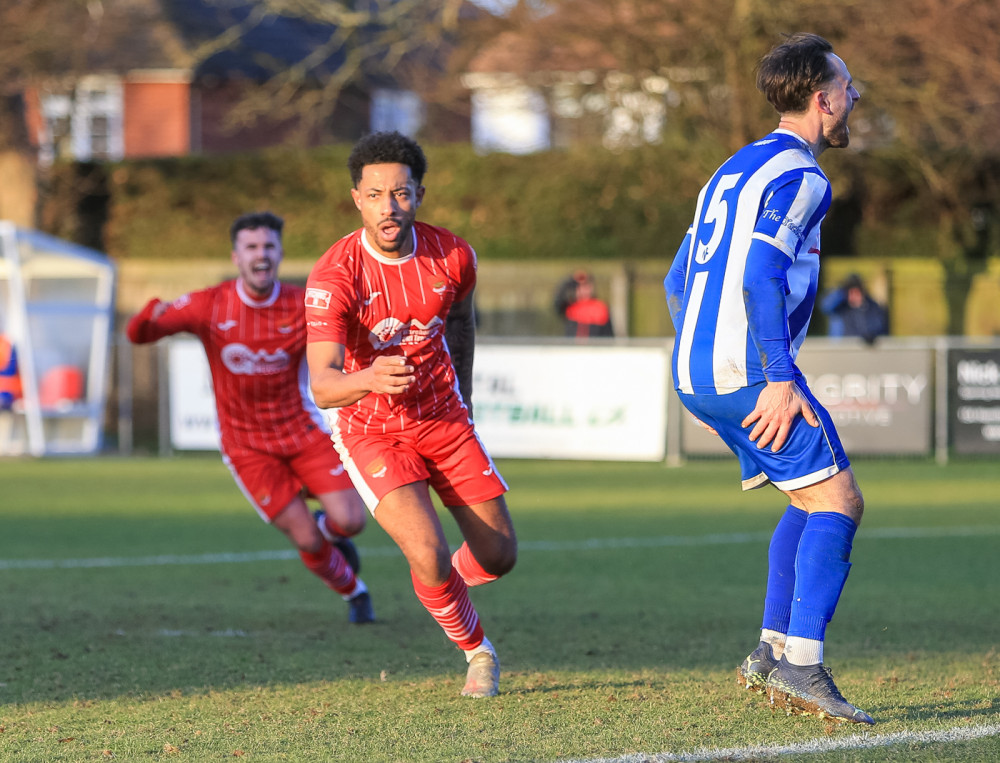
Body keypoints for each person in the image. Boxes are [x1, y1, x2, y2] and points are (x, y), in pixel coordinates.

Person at [664, 34, 873, 724]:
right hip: (751, 369)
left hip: (701, 367)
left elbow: (677, 279)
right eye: (848, 89)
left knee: (808, 499)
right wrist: (775, 377)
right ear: (822, 100)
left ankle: (771, 647)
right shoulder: (806, 177)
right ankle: (802, 664)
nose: (855, 99)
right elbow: (759, 273)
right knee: (839, 499)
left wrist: (699, 368)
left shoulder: (729, 170)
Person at [304, 131, 517, 698]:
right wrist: (368, 378)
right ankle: (477, 652)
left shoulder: (453, 256)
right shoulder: (335, 275)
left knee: (499, 555)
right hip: (370, 429)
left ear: (419, 193)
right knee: (426, 550)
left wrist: (464, 396)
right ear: (357, 199)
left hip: (443, 419)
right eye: (375, 195)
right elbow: (322, 386)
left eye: (399, 193)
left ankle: (441, 584)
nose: (388, 207)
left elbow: (462, 325)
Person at [126, 211, 374, 624]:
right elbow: (139, 335)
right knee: (308, 540)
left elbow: (355, 330)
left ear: (279, 253)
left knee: (350, 521)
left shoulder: (302, 305)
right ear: (236, 256)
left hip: (303, 433)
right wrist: (154, 309)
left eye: (269, 247)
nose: (261, 255)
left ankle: (330, 532)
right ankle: (355, 593)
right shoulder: (210, 305)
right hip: (247, 448)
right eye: (252, 247)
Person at [820, 272, 888, 344]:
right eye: (850, 292)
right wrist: (841, 291)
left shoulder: (872, 307)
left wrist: (870, 335)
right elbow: (825, 306)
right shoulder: (840, 308)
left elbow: (879, 327)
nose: (853, 296)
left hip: (864, 350)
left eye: (856, 292)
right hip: (842, 349)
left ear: (862, 292)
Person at [554, 270, 614, 339]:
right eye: (580, 287)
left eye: (587, 286)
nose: (584, 290)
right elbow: (557, 300)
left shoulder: (601, 308)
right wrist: (570, 280)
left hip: (594, 348)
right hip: (573, 348)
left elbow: (609, 335)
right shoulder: (571, 308)